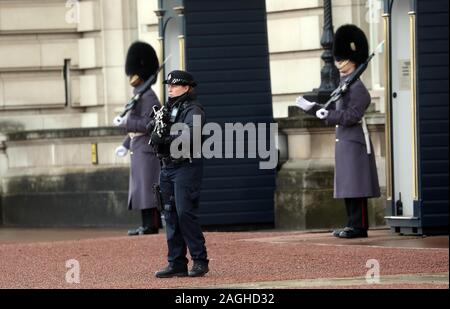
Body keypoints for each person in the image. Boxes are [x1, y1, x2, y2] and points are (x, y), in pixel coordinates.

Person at [296, 24, 380, 239]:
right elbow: (332, 109)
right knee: (348, 185)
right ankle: (351, 224)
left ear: (354, 61)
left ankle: (359, 226)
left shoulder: (358, 88)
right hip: (344, 141)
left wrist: (329, 115)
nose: (339, 64)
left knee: (357, 185)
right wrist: (312, 108)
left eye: (343, 60)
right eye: (338, 60)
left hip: (355, 142)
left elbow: (351, 116)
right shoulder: (344, 85)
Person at [149, 70, 209, 278]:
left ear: (186, 87)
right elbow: (152, 128)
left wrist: (164, 136)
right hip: (167, 166)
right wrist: (155, 128)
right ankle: (176, 263)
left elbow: (191, 133)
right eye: (169, 85)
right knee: (170, 214)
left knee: (185, 213)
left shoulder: (194, 108)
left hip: (186, 165)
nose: (170, 89)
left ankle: (200, 260)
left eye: (174, 85)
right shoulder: (168, 107)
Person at [113, 41, 162, 236]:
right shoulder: (139, 95)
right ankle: (145, 224)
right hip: (138, 147)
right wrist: (125, 144)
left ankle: (151, 225)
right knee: (140, 189)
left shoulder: (149, 97)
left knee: (147, 189)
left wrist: (126, 121)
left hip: (146, 149)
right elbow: (136, 128)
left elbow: (149, 124)